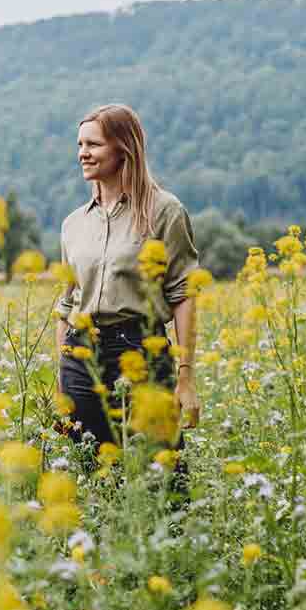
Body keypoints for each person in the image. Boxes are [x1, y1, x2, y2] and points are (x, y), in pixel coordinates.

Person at [55, 104, 200, 482]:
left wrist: (185, 378)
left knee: (164, 475)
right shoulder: (73, 224)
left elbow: (183, 293)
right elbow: (67, 304)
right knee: (95, 474)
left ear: (123, 148)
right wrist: (62, 379)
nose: (82, 153)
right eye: (79, 144)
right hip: (79, 357)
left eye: (93, 144)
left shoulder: (164, 211)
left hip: (139, 349)